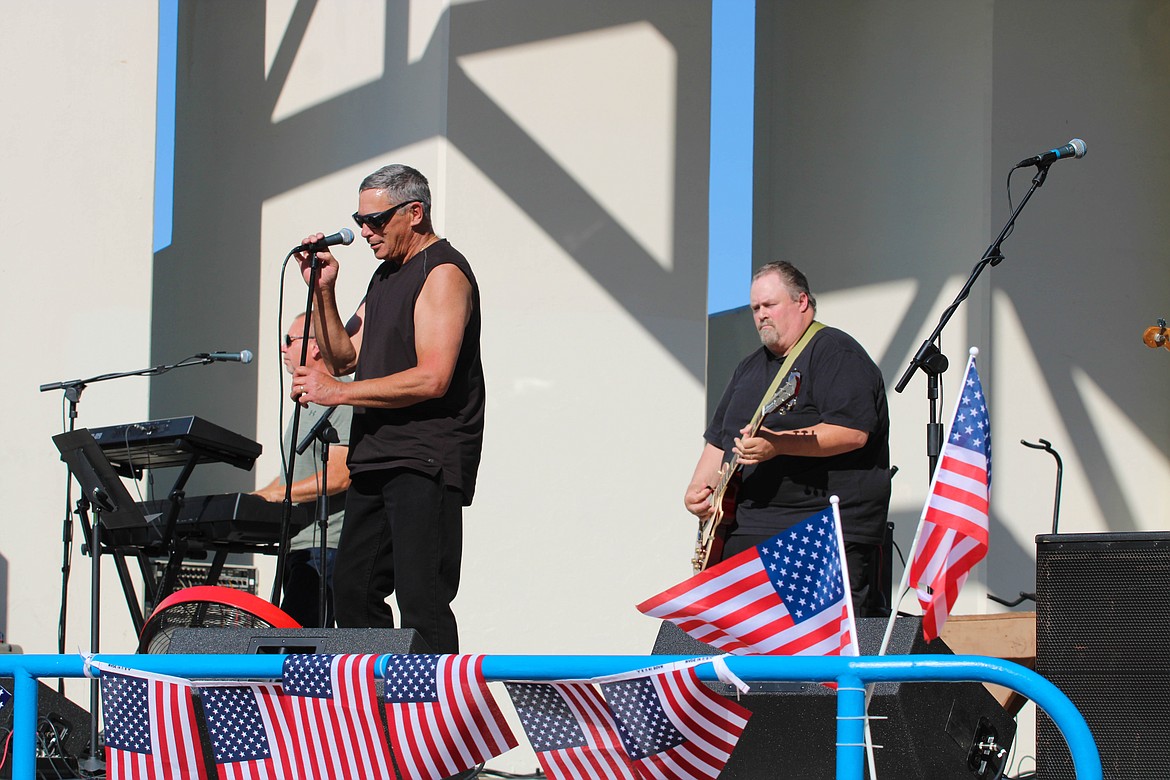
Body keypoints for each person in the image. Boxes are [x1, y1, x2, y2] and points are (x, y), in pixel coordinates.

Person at [290, 163, 484, 653]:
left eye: (376, 220)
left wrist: (338, 393)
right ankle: (378, 712)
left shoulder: (441, 272)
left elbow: (433, 376)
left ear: (414, 212)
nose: (364, 231)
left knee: (423, 599)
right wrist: (323, 289)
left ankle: (437, 720)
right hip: (376, 457)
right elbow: (343, 354)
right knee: (351, 589)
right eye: (360, 220)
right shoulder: (384, 277)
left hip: (425, 457)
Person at [684, 261, 892, 617]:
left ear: (802, 302)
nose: (761, 315)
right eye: (755, 309)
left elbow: (852, 432)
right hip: (745, 531)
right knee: (739, 650)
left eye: (770, 305)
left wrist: (778, 444)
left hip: (817, 530)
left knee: (817, 656)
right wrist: (698, 491)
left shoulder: (835, 353)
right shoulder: (748, 368)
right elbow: (720, 440)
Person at [253, 313, 352, 627]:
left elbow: (340, 474)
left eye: (289, 340)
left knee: (299, 648)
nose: (282, 349)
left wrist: (276, 495)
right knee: (290, 641)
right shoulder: (305, 404)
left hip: (324, 547)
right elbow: (290, 477)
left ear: (316, 349)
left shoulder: (341, 396)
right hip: (298, 544)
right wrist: (255, 499)